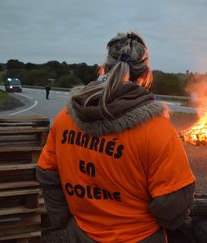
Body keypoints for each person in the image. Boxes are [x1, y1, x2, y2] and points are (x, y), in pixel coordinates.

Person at [36, 32, 196, 242]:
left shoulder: (64, 119)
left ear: (103, 68)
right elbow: (174, 201)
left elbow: (47, 174)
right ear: (146, 74)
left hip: (80, 234)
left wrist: (64, 222)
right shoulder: (157, 130)